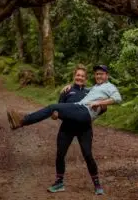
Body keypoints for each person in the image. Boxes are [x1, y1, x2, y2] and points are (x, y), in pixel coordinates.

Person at [47, 64, 106, 195]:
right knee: (60, 154)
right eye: (78, 75)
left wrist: (96, 114)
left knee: (88, 155)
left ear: (85, 78)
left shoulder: (90, 92)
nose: (80, 77)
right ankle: (59, 183)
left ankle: (97, 185)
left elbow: (102, 108)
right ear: (74, 76)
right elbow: (58, 109)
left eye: (82, 76)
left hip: (84, 129)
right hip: (67, 127)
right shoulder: (66, 91)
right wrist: (55, 115)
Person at [7, 65, 121, 130]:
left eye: (101, 74)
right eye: (97, 74)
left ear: (107, 75)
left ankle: (23, 120)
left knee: (51, 107)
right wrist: (70, 86)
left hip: (83, 113)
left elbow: (117, 98)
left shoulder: (110, 86)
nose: (98, 75)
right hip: (77, 112)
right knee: (53, 108)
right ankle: (22, 120)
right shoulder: (94, 87)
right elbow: (85, 90)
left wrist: (100, 103)